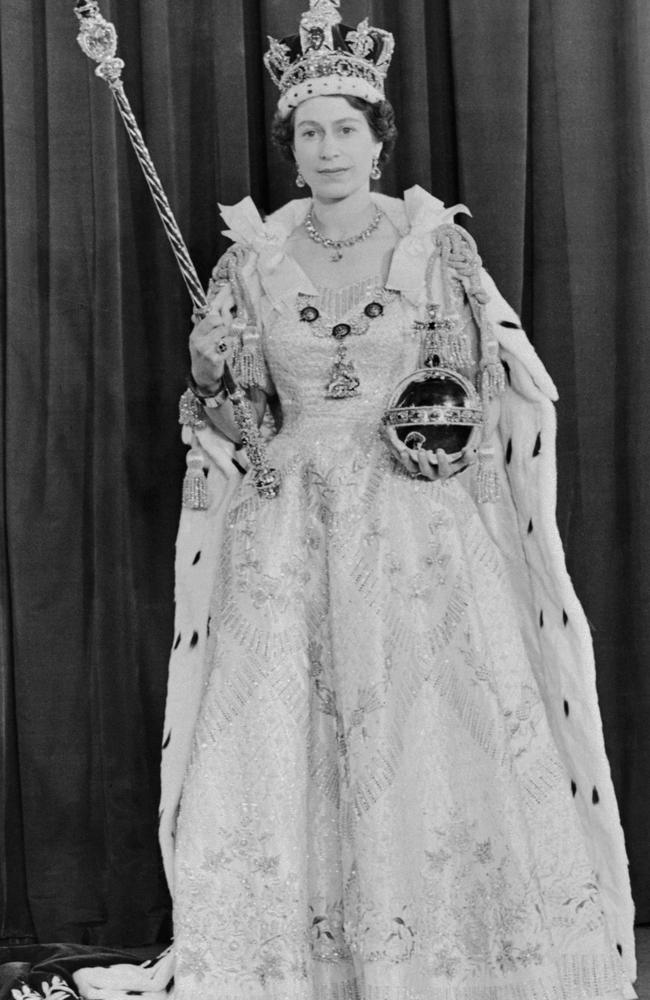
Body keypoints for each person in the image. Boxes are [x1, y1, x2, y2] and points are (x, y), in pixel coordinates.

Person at [78, 2, 636, 998]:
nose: (326, 147)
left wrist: (422, 428)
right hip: (287, 530)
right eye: (308, 131)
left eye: (344, 127)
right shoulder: (248, 257)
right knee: (290, 735)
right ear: (291, 151)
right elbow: (241, 426)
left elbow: (468, 394)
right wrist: (212, 371)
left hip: (417, 531)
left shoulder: (435, 248)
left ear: (376, 142)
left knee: (423, 732)